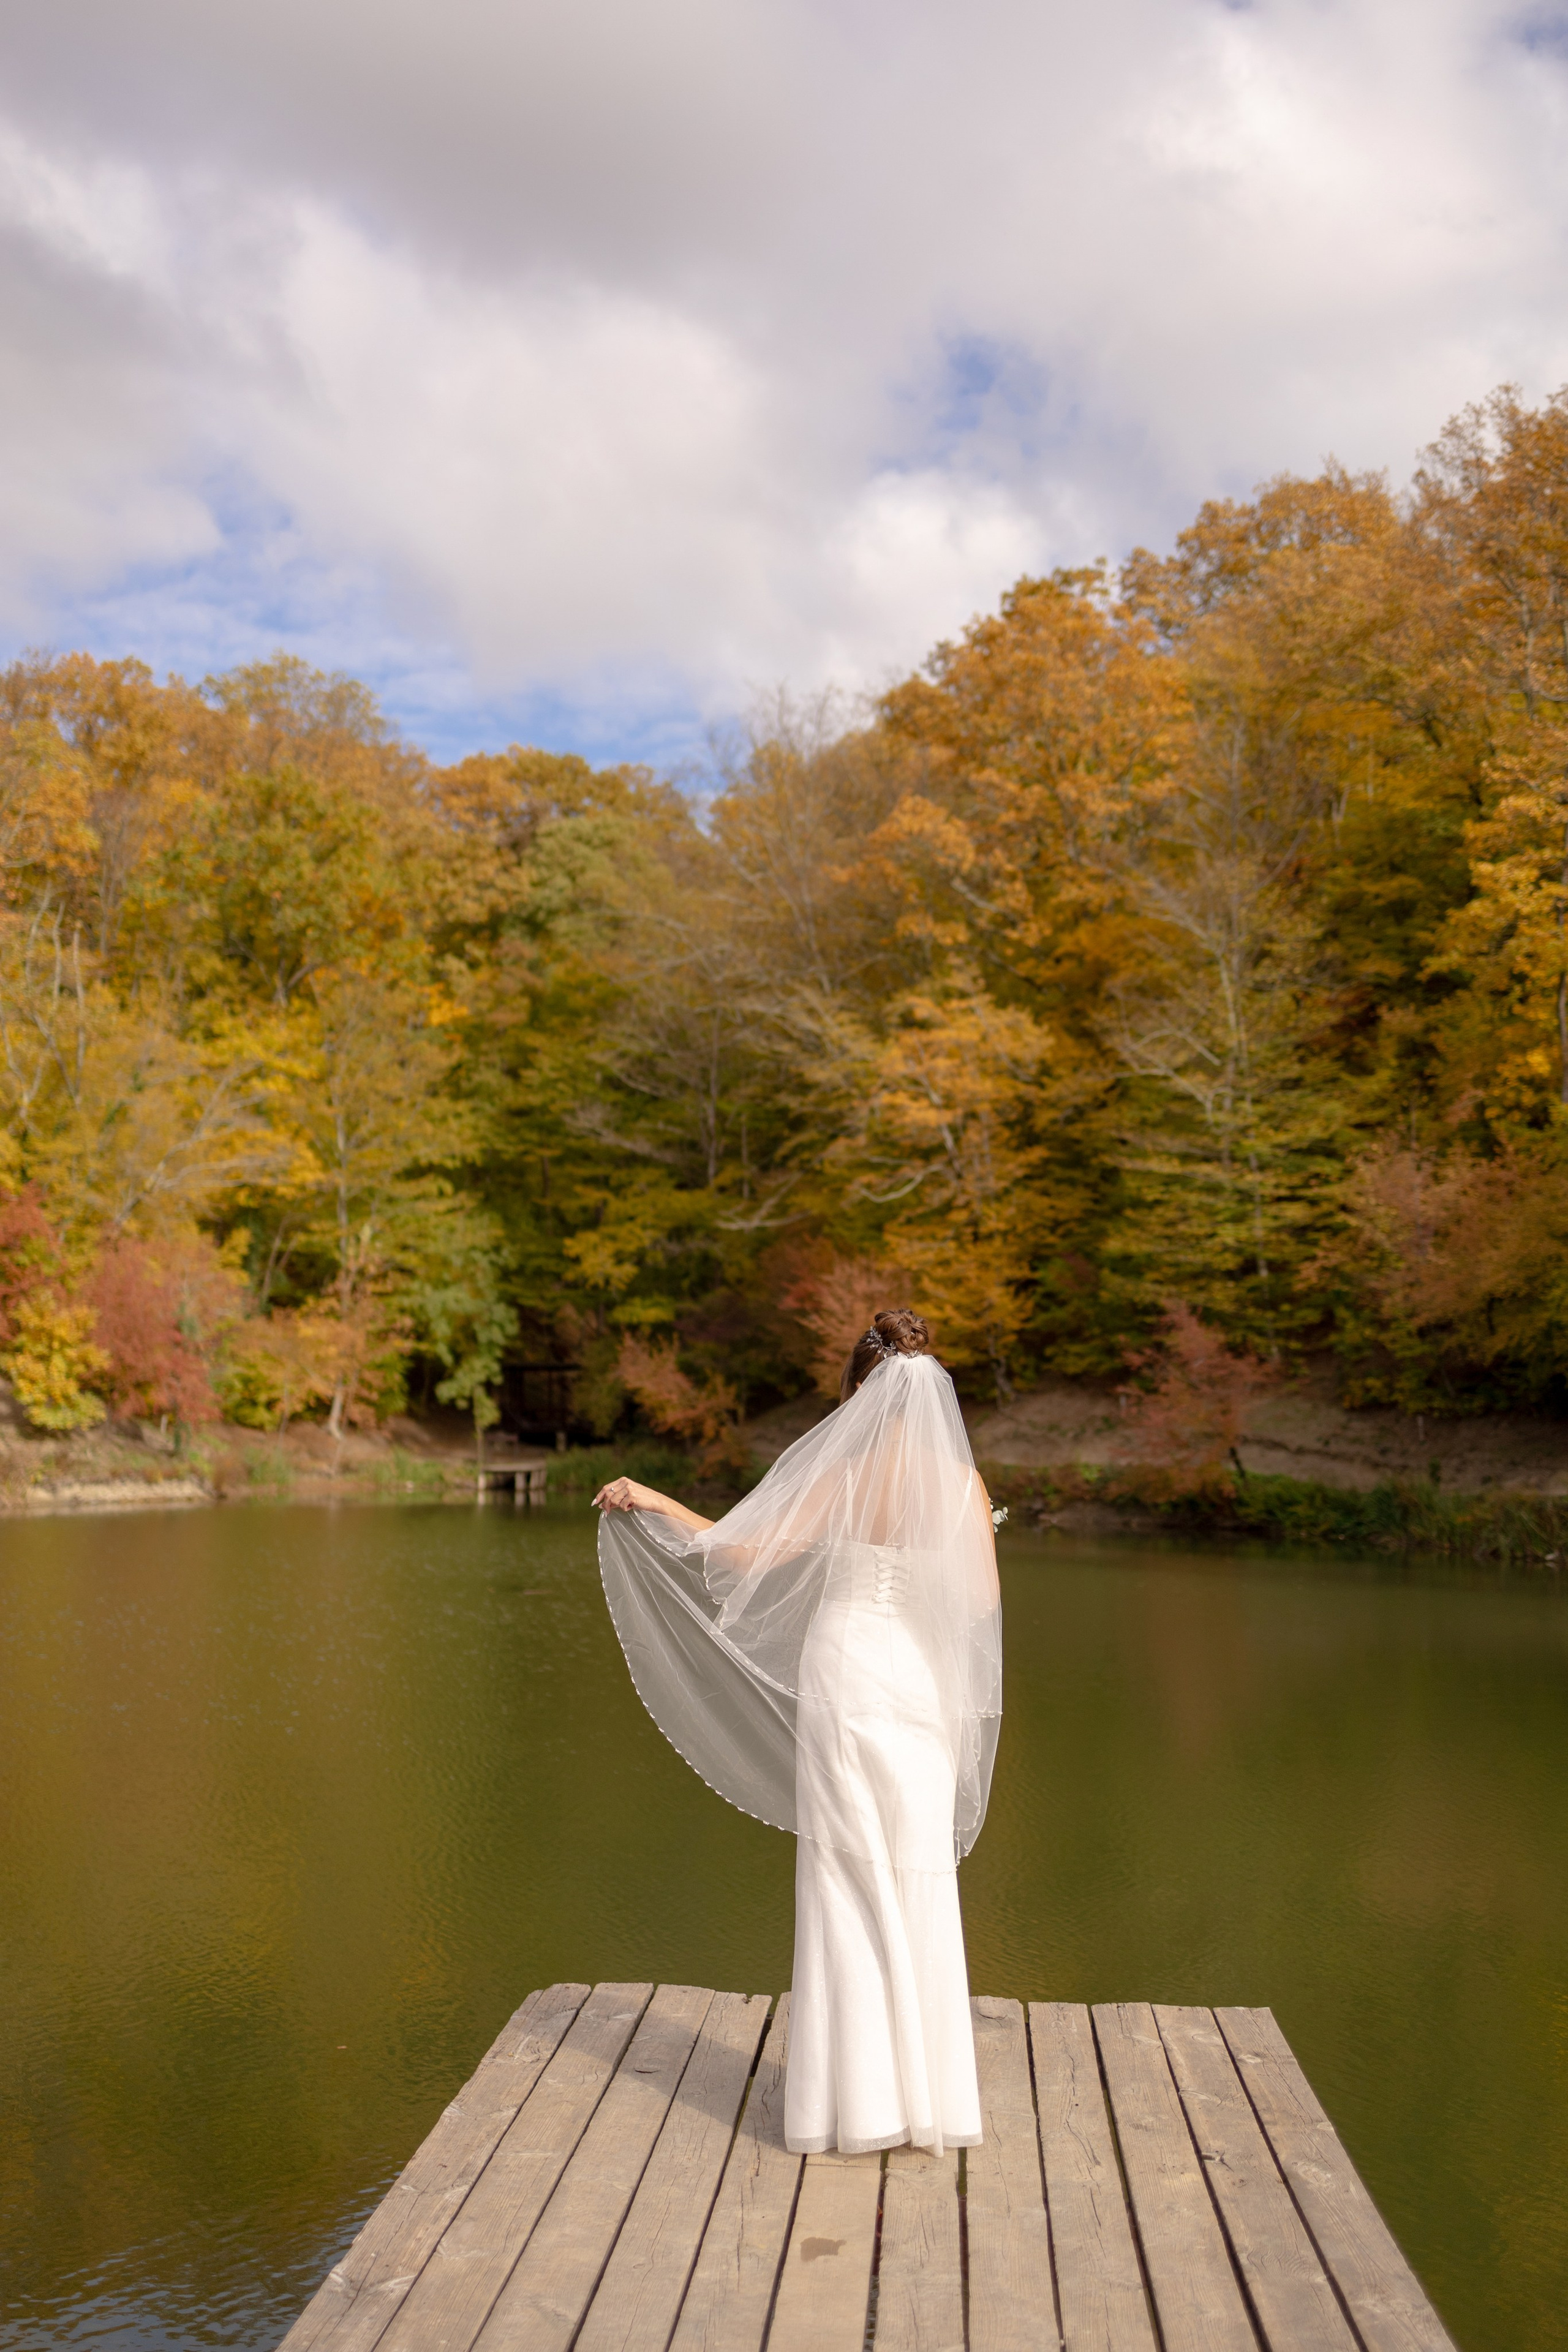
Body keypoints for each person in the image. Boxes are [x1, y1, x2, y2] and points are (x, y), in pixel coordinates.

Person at [594, 1306, 1003, 2157]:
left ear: (861, 1395)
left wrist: (653, 1498)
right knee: (915, 1866)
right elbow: (981, 1608)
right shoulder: (962, 1486)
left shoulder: (846, 1475)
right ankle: (934, 2104)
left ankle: (849, 2106)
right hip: (919, 1683)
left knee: (844, 1873)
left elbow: (740, 1552)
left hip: (849, 1669)